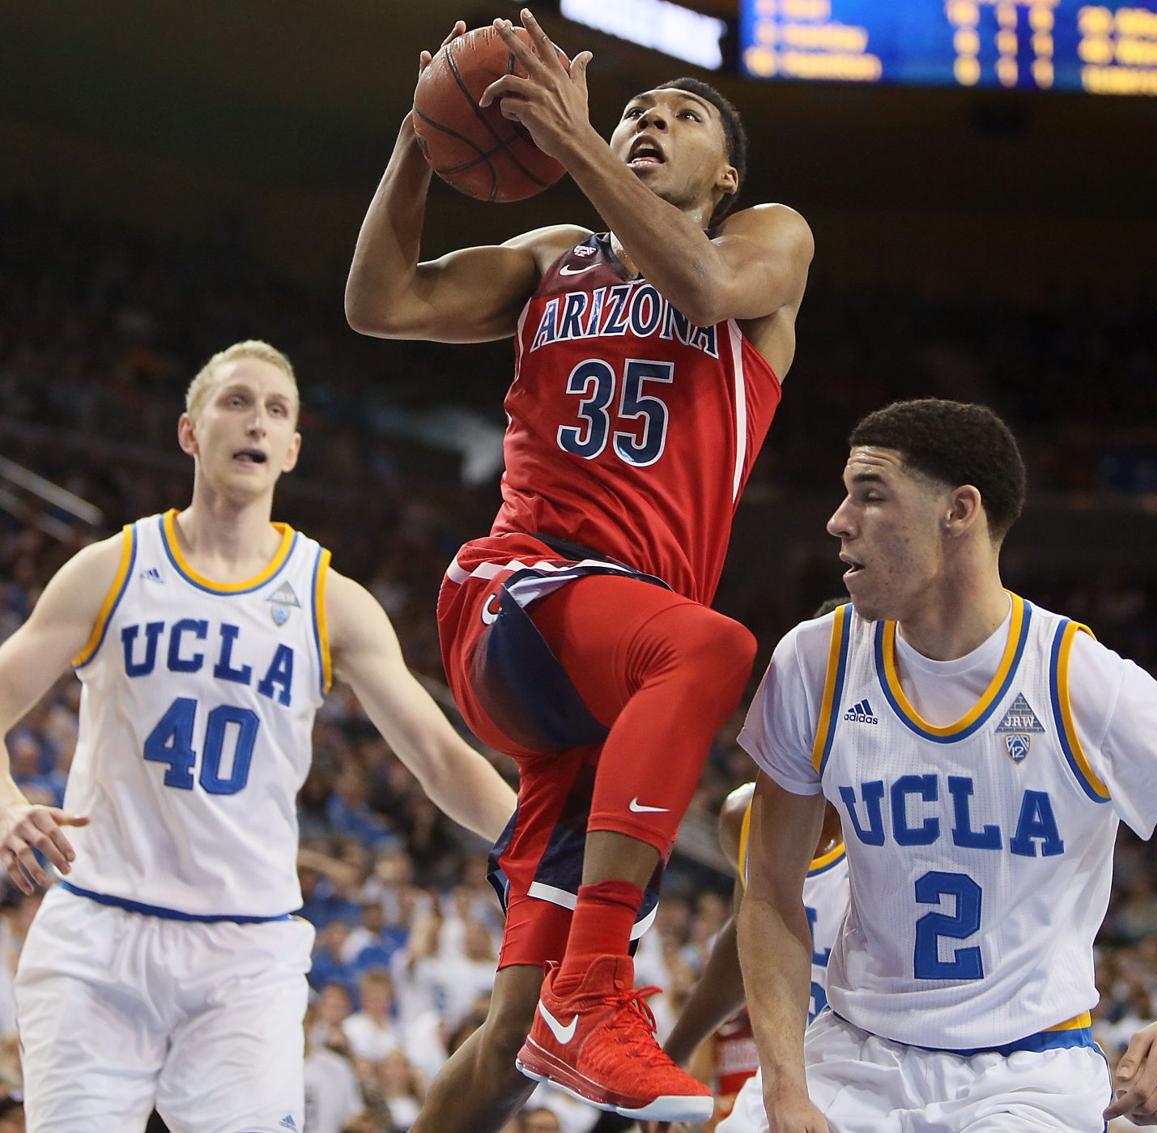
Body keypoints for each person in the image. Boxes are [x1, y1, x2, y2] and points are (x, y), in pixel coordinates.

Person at [345, 9, 813, 1128]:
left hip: (617, 678)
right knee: (716, 646)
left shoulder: (767, 239)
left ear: (727, 173)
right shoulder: (555, 256)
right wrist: (418, 141)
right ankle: (599, 984)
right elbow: (381, 301)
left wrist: (574, 140)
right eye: (634, 109)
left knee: (511, 1040)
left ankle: (567, 1003)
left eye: (683, 114)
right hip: (518, 588)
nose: (651, 119)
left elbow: (703, 285)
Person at [0, 340, 516, 1132]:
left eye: (277, 410)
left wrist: (538, 843)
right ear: (189, 430)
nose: (257, 421)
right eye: (236, 402)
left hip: (245, 950)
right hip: (100, 929)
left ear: (293, 448)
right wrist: (7, 804)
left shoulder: (330, 599)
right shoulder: (112, 568)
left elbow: (439, 756)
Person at [737, 398, 1157, 1131]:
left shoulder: (1083, 684)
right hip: (852, 1054)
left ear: (958, 510)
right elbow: (767, 895)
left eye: (870, 494)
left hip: (1030, 1071)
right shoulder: (813, 661)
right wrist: (785, 1094)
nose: (838, 521)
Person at [661, 760, 846, 1130]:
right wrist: (675, 1053)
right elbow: (748, 941)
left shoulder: (890, 822)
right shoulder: (743, 815)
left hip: (886, 1061)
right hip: (791, 1073)